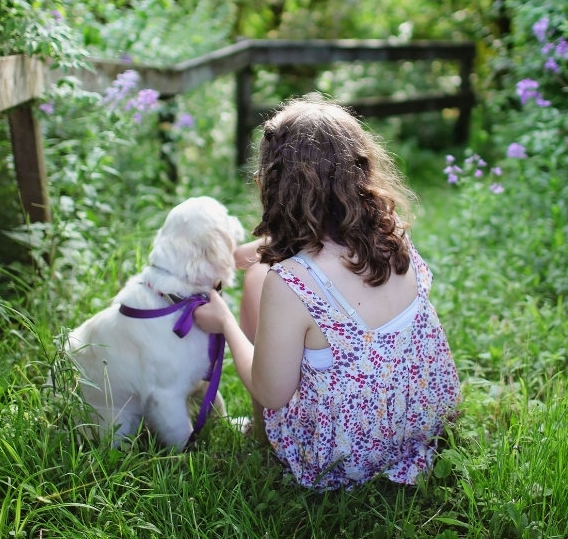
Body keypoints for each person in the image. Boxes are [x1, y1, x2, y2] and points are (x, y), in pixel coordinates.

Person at [195, 96, 460, 490]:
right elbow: (323, 253)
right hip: (420, 422)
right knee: (260, 273)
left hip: (343, 454)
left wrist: (226, 325)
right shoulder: (392, 235)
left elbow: (272, 392)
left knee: (255, 280)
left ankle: (261, 434)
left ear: (270, 185)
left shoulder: (289, 283)